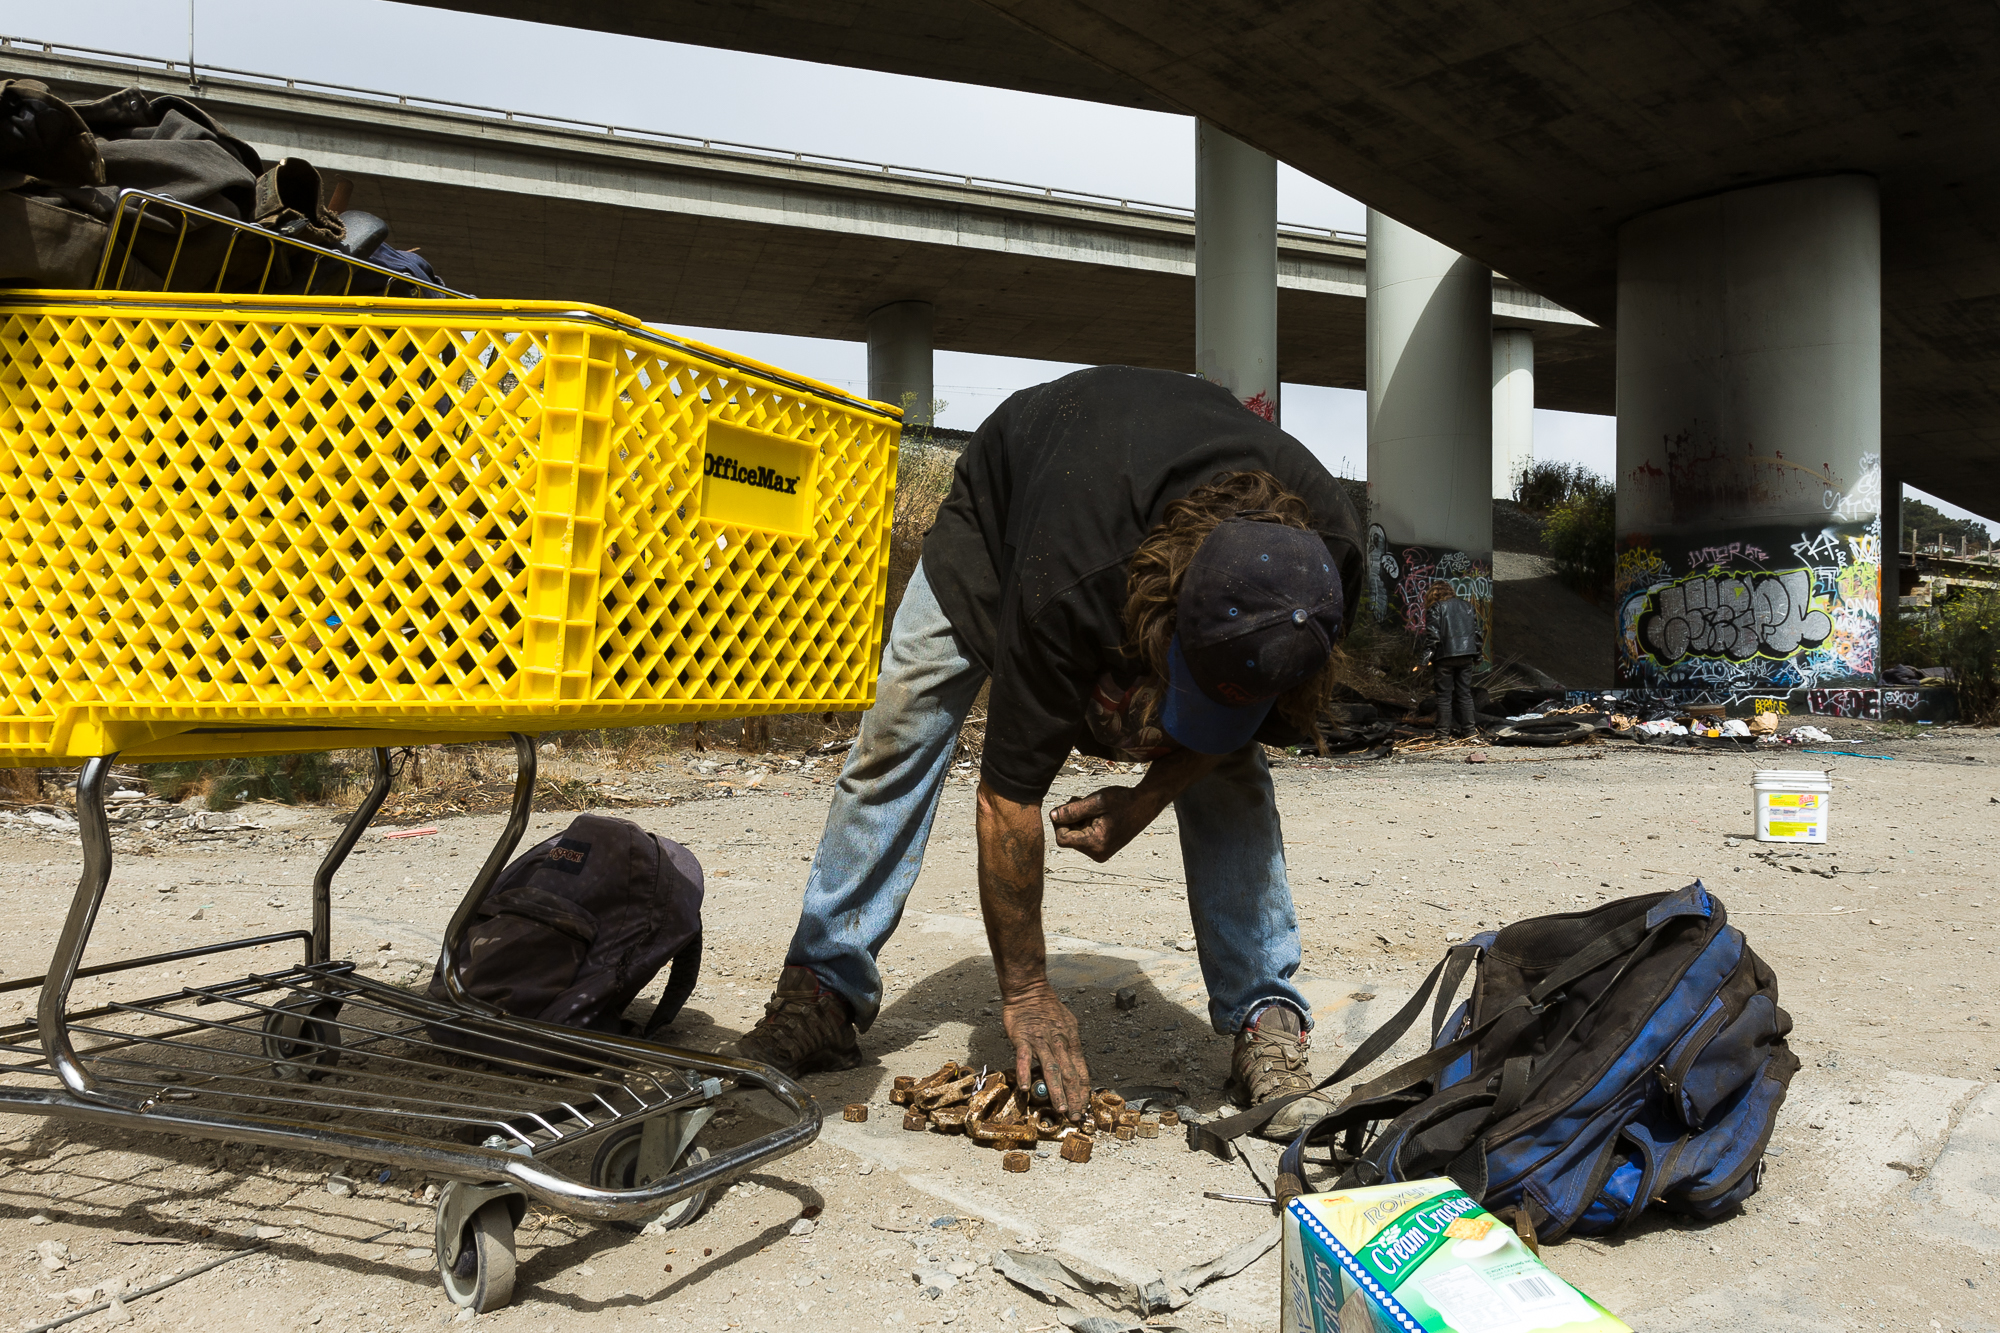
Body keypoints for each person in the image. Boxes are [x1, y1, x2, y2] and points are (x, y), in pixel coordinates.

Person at [735, 365, 1366, 1138]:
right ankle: (821, 986)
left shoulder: (1326, 568)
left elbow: (1249, 719)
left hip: (1126, 489)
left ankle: (1265, 1015)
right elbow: (1008, 798)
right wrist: (1027, 988)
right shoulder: (1069, 582)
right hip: (1013, 500)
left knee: (1234, 772)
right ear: (1162, 619)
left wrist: (1146, 797)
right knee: (901, 724)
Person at [1419, 584, 1484, 739]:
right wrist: (1477, 656)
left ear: (1433, 595)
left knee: (1444, 697)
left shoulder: (1435, 608)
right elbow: (1477, 634)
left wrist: (1424, 659)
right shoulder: (1468, 607)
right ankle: (1470, 733)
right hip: (1466, 655)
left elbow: (1433, 636)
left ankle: (1442, 736)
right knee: (1465, 695)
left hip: (1445, 656)